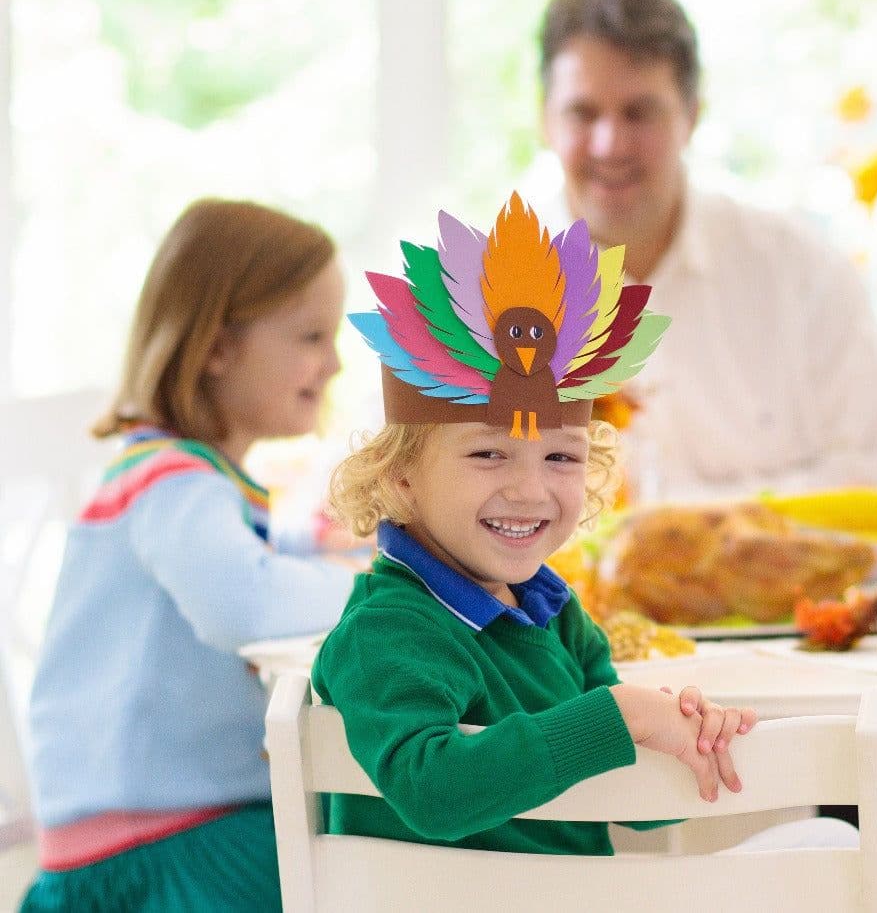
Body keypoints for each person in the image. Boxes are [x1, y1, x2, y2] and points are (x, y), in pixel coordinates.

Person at [311, 195, 766, 855]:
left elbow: (638, 809)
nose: (528, 489)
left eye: (560, 457)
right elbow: (431, 789)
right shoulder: (387, 629)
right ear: (400, 475)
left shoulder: (556, 615)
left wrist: (679, 737)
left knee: (820, 838)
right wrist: (620, 715)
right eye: (489, 453)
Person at [23, 199, 356, 911]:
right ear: (216, 348)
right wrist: (390, 589)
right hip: (158, 846)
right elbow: (246, 600)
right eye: (310, 335)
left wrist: (322, 543)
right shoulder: (171, 482)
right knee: (375, 857)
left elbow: (248, 550)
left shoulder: (181, 480)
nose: (333, 362)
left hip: (165, 830)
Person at [533, 0, 877, 502]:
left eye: (639, 112)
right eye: (583, 113)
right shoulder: (479, 294)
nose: (610, 143)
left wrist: (704, 532)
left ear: (692, 115)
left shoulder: (799, 273)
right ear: (545, 119)